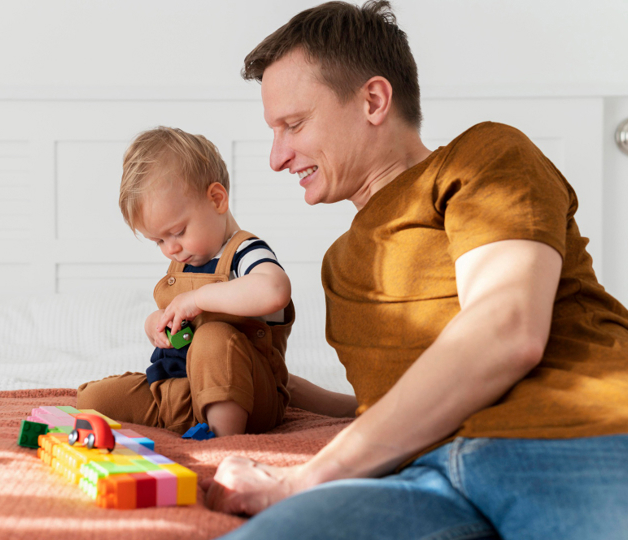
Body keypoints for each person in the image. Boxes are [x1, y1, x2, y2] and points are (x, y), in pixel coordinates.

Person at [201, 1, 628, 538]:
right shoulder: (341, 264)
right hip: (421, 478)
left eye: (293, 124)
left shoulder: (484, 156)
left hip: (570, 435)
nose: (277, 157)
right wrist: (265, 382)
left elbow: (505, 330)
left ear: (374, 100)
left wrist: (300, 480)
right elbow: (385, 405)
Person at [76, 127, 296, 437]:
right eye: (159, 241)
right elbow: (174, 316)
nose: (171, 248)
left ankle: (223, 439)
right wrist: (156, 324)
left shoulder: (244, 251)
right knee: (93, 398)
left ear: (217, 199)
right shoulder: (184, 260)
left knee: (213, 338)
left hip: (246, 399)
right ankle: (191, 422)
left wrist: (197, 299)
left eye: (177, 232)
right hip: (180, 392)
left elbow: (274, 291)